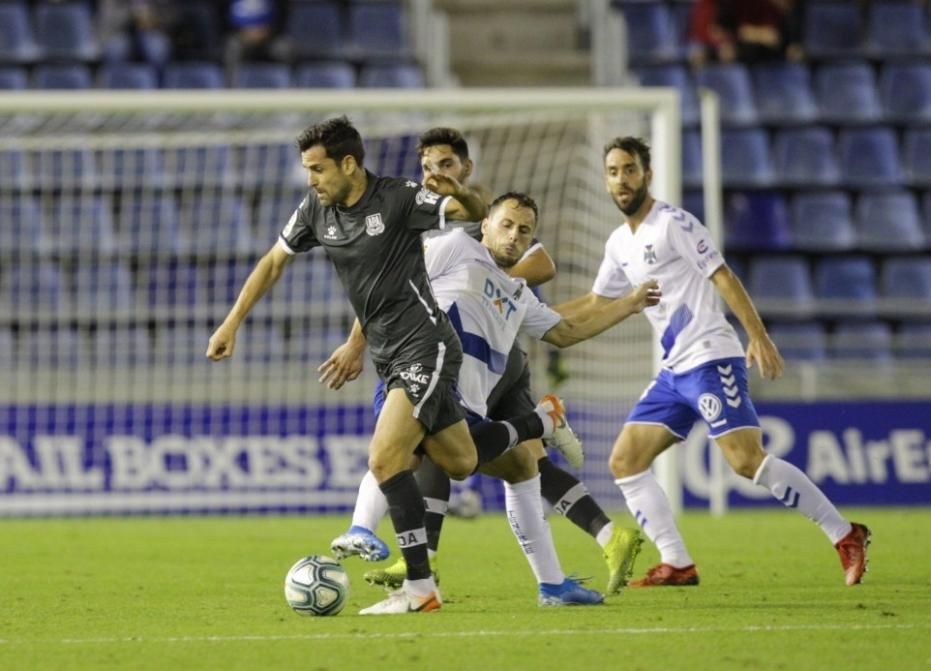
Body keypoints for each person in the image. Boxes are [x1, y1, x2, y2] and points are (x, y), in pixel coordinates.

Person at [206, 117, 576, 615]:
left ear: (349, 164)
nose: (311, 180)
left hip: (426, 344)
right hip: (388, 351)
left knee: (386, 459)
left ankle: (419, 589)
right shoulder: (317, 208)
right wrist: (230, 324)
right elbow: (274, 261)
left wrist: (460, 194)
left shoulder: (399, 198)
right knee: (461, 461)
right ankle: (542, 421)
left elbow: (467, 212)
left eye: (317, 169)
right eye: (307, 170)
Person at [328, 128, 647, 596]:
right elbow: (389, 276)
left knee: (505, 467)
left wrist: (631, 304)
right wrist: (357, 342)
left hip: (470, 403)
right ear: (486, 226)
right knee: (417, 455)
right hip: (427, 375)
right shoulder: (456, 246)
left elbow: (566, 331)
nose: (515, 235)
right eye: (507, 226)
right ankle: (371, 535)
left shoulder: (519, 293)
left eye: (524, 231)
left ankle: (543, 583)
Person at [563, 135, 869, 587]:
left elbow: (721, 275)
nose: (621, 180)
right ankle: (677, 563)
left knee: (746, 462)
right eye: (613, 172)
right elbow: (594, 300)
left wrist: (758, 336)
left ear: (646, 175)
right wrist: (535, 316)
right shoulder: (617, 243)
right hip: (673, 372)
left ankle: (846, 535)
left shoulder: (673, 224)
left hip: (709, 358)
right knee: (625, 461)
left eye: (629, 169)